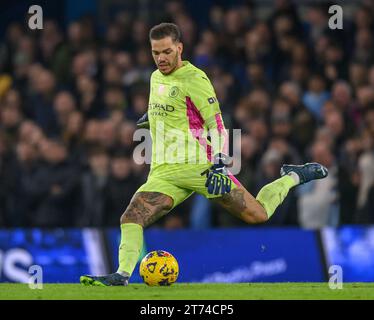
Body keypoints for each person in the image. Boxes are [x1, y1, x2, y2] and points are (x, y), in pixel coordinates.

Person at [80, 23, 328, 286]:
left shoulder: (195, 79)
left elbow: (216, 124)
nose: (161, 58)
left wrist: (220, 165)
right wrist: (151, 119)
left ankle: (292, 176)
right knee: (131, 217)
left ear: (179, 48)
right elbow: (166, 110)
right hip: (164, 173)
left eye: (166, 51)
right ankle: (121, 275)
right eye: (155, 53)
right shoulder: (154, 78)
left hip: (201, 168)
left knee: (258, 215)